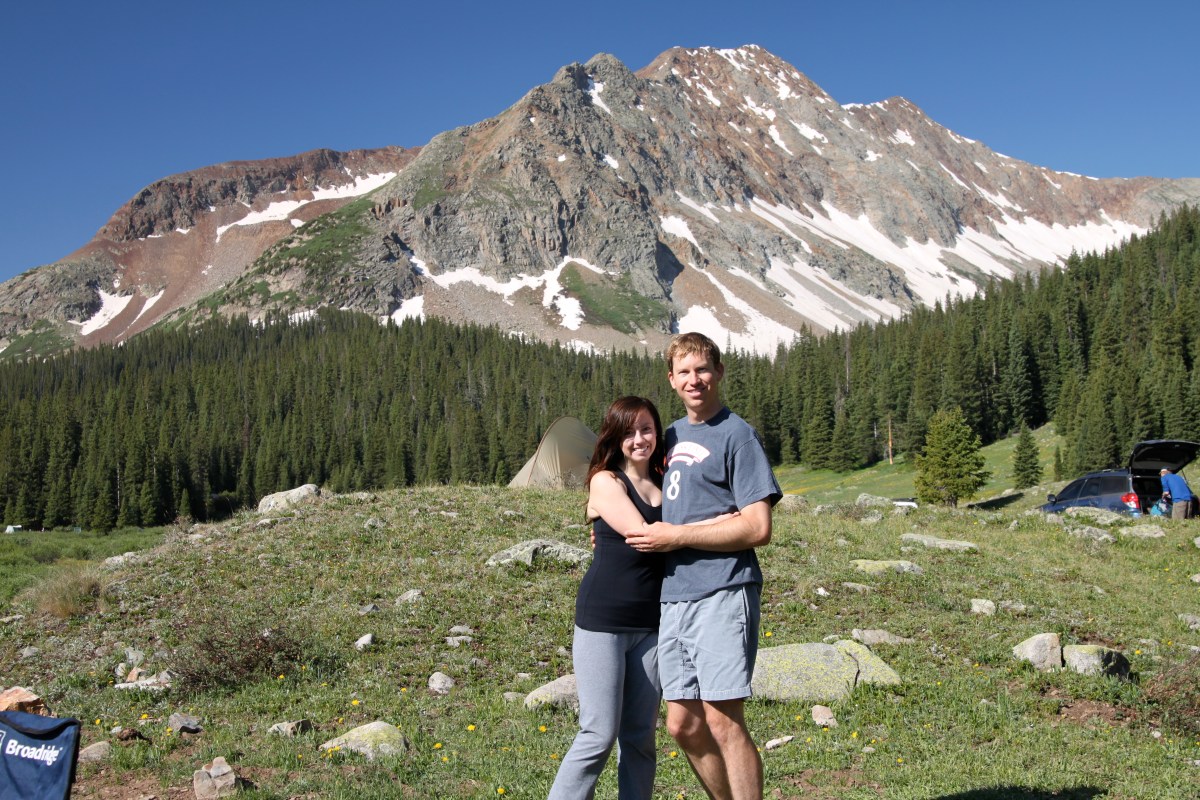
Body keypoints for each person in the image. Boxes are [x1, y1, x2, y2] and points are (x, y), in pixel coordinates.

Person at [626, 332, 781, 800]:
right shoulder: (670, 436)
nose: (694, 380)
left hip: (723, 590)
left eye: (702, 370)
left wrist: (678, 536)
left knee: (723, 719)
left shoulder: (738, 435)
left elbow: (758, 527)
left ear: (719, 373)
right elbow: (639, 485)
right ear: (671, 380)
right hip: (674, 597)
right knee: (682, 724)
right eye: (684, 372)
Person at [547, 396, 666, 800]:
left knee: (640, 735)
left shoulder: (667, 481)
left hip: (652, 623)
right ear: (614, 437)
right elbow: (642, 536)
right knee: (598, 733)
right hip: (604, 620)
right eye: (629, 432)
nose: (639, 439)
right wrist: (705, 532)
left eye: (646, 429)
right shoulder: (605, 481)